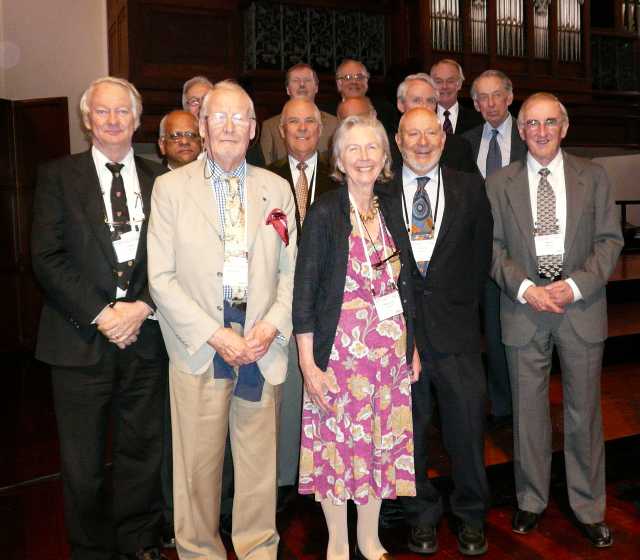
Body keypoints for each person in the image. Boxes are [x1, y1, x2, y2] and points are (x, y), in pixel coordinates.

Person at [147, 80, 297, 559]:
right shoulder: (170, 189)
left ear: (254, 129)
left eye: (240, 118)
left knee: (258, 472)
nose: (229, 127)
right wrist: (217, 336)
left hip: (260, 348)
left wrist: (270, 328)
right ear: (203, 126)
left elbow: (292, 273)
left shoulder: (277, 189)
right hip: (200, 351)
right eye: (219, 117)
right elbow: (161, 278)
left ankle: (258, 550)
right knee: (197, 474)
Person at [31, 76, 167, 560]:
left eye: (122, 112)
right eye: (102, 112)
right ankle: (89, 550)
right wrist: (102, 313)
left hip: (146, 340)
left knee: (141, 452)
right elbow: (46, 257)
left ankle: (138, 539)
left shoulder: (161, 180)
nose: (113, 120)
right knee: (83, 463)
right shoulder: (57, 176)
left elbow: (176, 259)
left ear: (137, 119)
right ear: (88, 120)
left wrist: (144, 305)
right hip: (77, 340)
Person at [486, 92, 623, 548]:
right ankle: (531, 499)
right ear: (520, 130)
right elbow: (492, 249)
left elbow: (609, 242)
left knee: (585, 413)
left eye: (549, 123)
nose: (541, 131)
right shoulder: (498, 182)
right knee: (528, 413)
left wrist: (575, 285)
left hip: (579, 306)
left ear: (564, 128)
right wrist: (527, 289)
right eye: (532, 124)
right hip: (524, 307)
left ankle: (588, 506)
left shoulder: (595, 176)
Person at [294, 115, 420, 560]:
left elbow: (404, 286)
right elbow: (304, 294)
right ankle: (338, 542)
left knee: (378, 447)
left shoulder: (388, 207)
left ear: (385, 157)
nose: (364, 157)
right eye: (354, 149)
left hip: (387, 358)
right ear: (340, 159)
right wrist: (309, 365)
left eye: (373, 148)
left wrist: (412, 346)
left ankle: (369, 538)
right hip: (339, 358)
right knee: (338, 450)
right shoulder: (326, 211)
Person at [387, 107, 493, 556]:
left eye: (430, 132)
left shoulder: (471, 188)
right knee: (409, 433)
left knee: (466, 430)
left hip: (458, 336)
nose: (422, 142)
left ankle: (471, 515)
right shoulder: (379, 193)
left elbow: (480, 257)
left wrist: (459, 313)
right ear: (398, 139)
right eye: (413, 134)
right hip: (400, 339)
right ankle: (421, 516)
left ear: (443, 138)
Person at [267, 97, 337, 511]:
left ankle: (322, 475)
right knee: (287, 394)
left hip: (329, 306)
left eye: (309, 121)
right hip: (279, 301)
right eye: (293, 122)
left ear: (321, 128)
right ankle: (285, 480)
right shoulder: (265, 177)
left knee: (323, 391)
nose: (302, 129)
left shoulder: (341, 175)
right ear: (281, 130)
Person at [463, 69, 528, 428]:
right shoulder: (464, 142)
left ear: (509, 96)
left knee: (515, 336)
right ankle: (497, 405)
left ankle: (520, 405)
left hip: (520, 254)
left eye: (495, 95)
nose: (489, 103)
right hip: (476, 255)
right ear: (474, 103)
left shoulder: (528, 135)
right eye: (482, 98)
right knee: (486, 331)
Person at [393, 73, 476, 174]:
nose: (424, 106)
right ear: (400, 104)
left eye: (430, 101)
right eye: (416, 100)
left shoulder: (459, 147)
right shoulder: (383, 148)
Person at [260, 62, 338, 165]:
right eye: (296, 81)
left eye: (307, 80)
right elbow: (266, 171)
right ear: (288, 89)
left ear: (316, 88)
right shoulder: (270, 127)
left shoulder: (335, 124)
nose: (302, 85)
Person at [430, 58, 482, 135]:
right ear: (431, 85)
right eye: (439, 81)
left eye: (450, 81)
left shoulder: (478, 121)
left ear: (460, 84)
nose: (444, 86)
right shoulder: (421, 118)